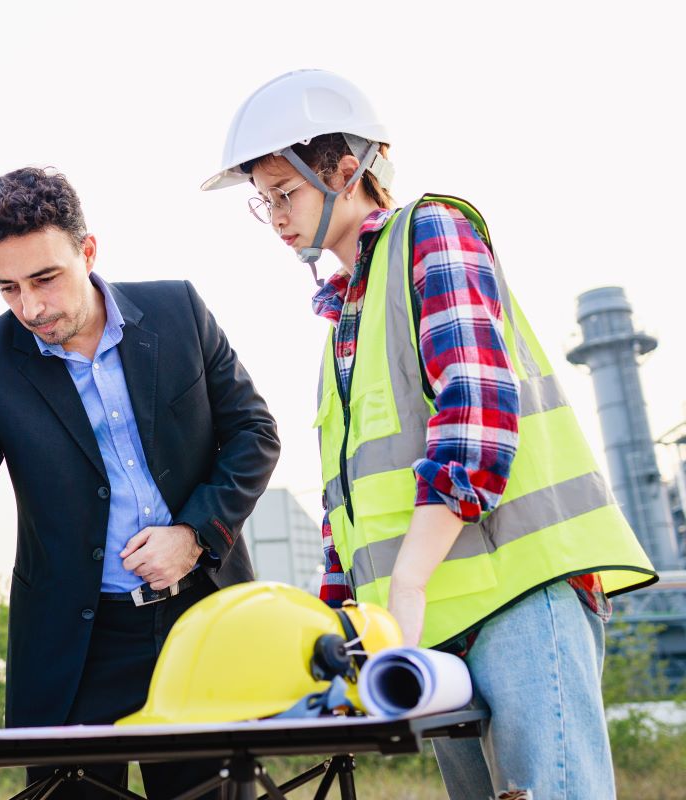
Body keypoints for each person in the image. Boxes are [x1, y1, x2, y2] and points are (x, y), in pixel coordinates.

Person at [200, 69, 657, 799]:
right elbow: (346, 509)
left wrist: (405, 582)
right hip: (428, 622)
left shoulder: (430, 232)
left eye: (284, 193)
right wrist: (343, 628)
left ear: (348, 174)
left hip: (516, 596)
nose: (276, 216)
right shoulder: (346, 319)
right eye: (264, 201)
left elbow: (475, 414)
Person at [0, 167, 280, 798]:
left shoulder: (179, 310)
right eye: (9, 288)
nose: (31, 307)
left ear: (88, 251)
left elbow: (254, 434)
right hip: (76, 646)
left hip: (200, 621)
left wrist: (193, 533)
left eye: (45, 278)